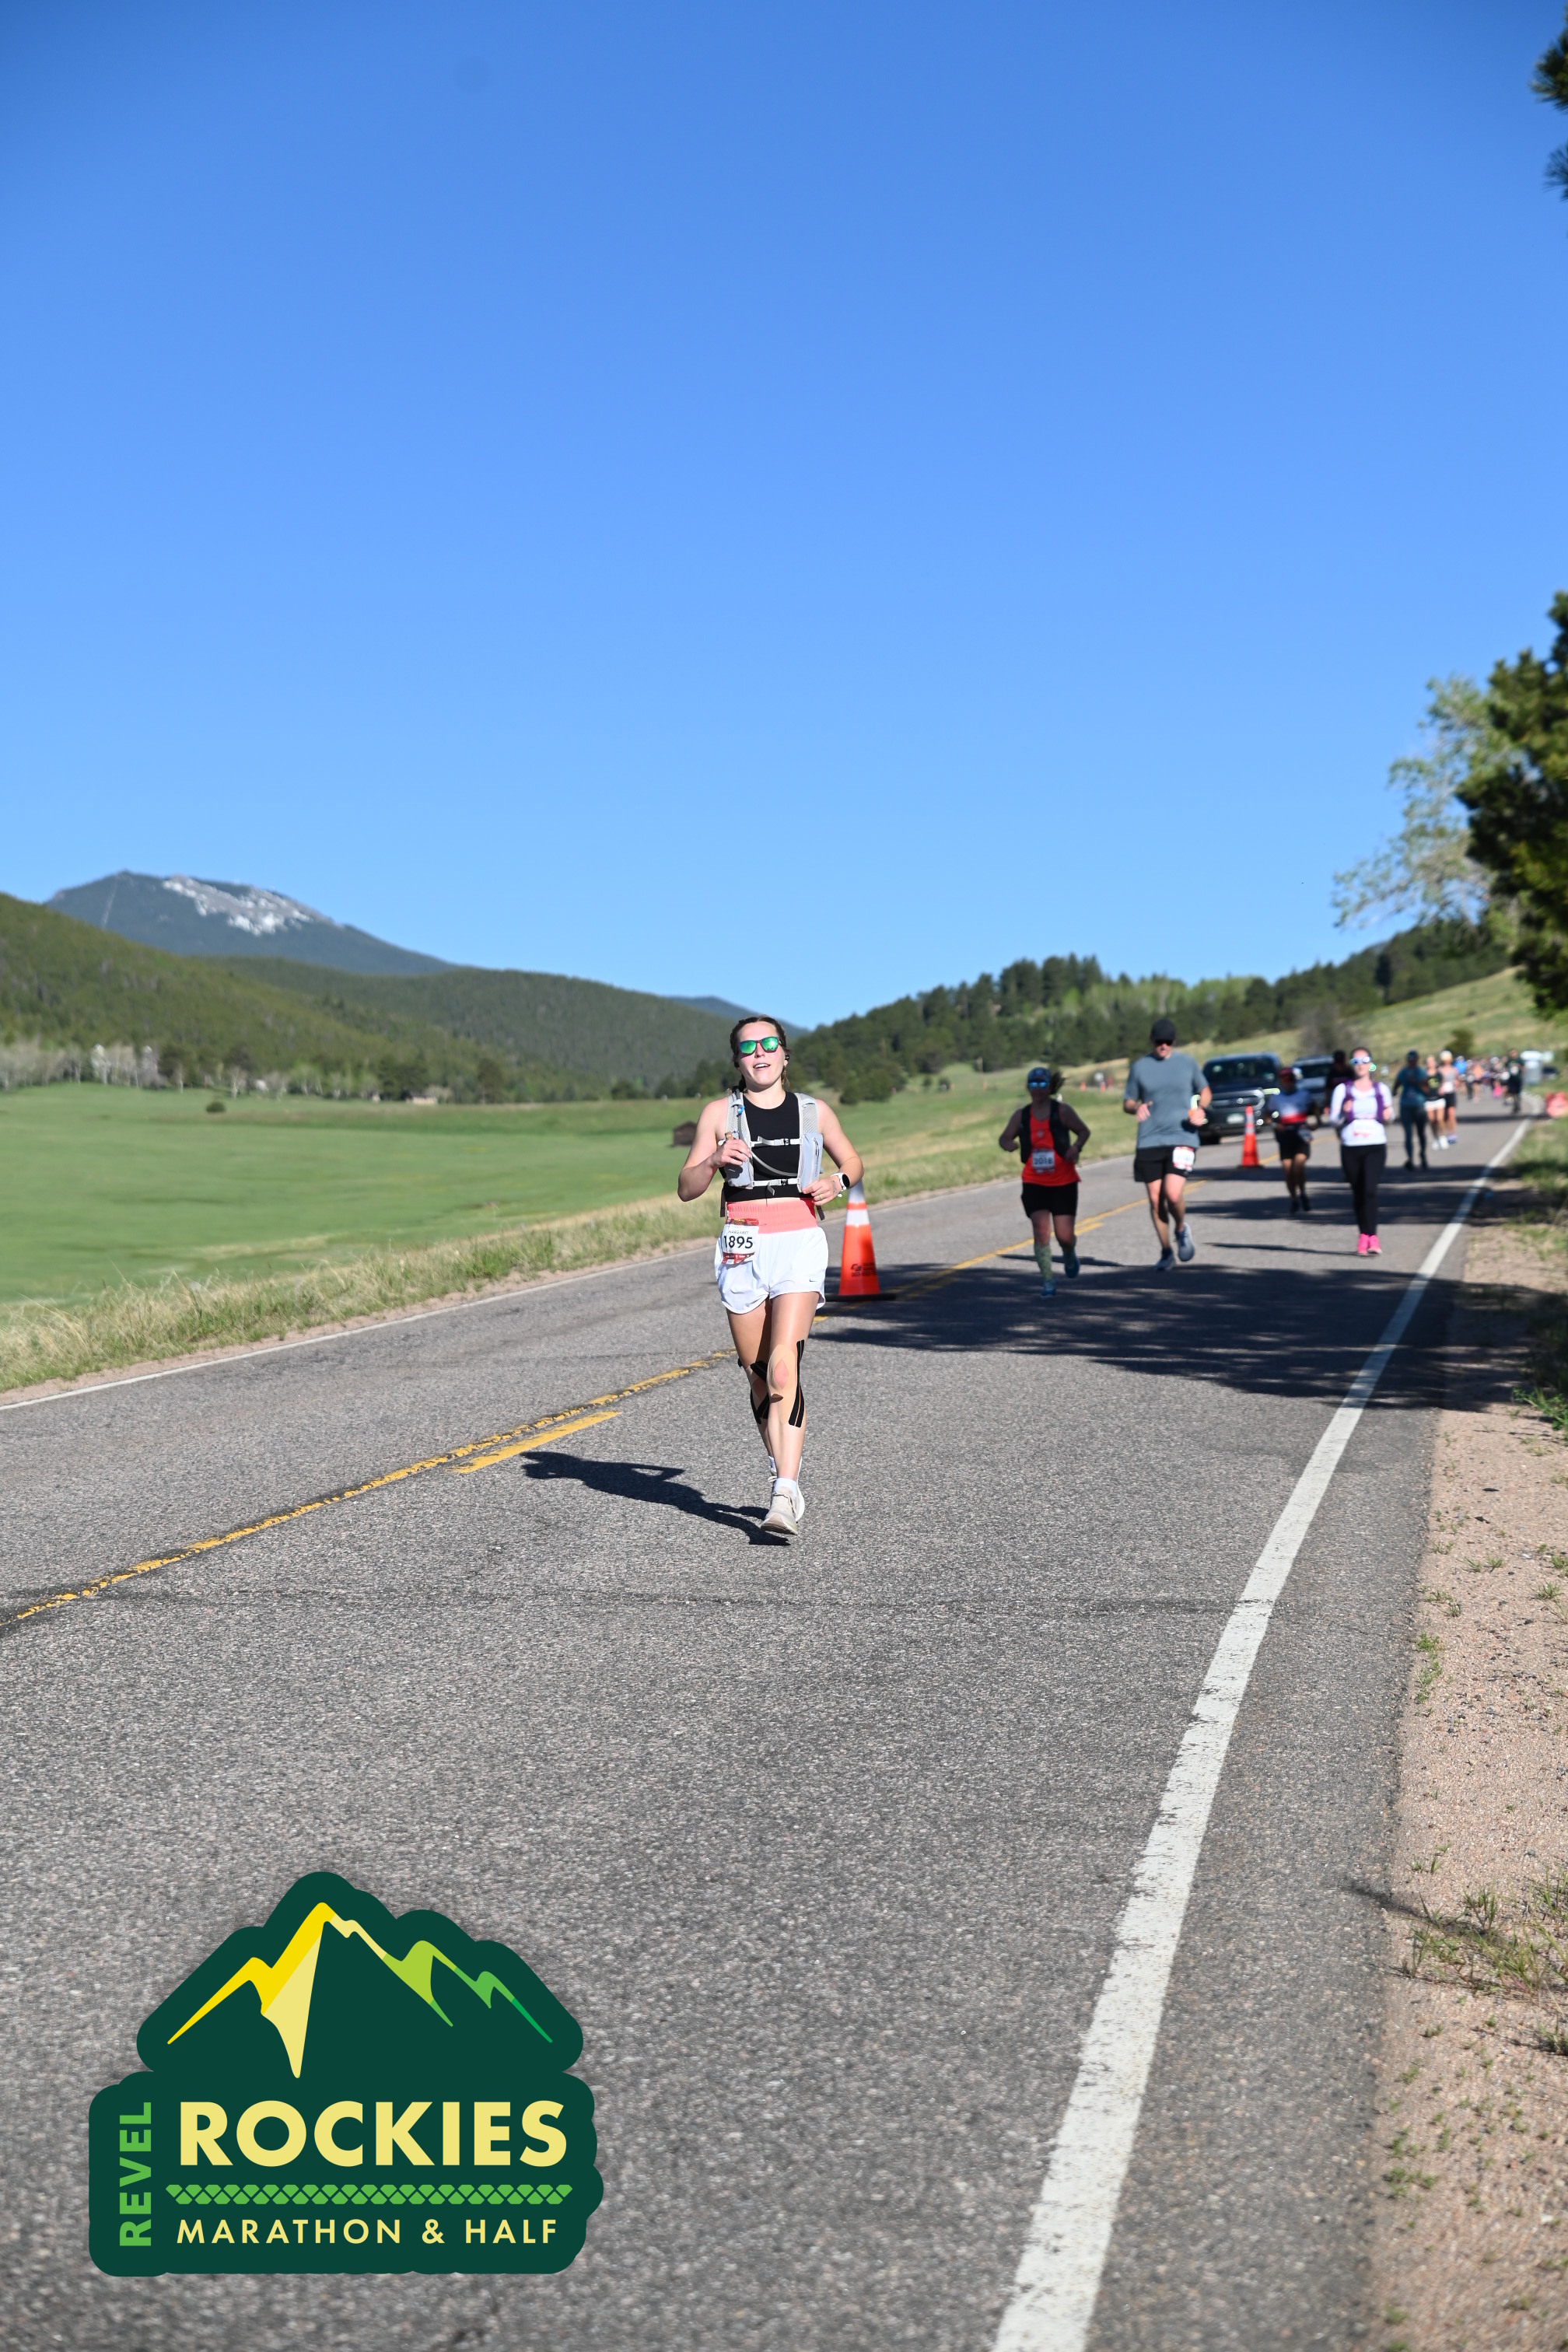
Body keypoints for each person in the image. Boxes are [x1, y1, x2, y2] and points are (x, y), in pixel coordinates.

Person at [678, 1017, 862, 1538]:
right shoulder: (719, 1114)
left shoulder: (813, 1111)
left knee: (784, 1367)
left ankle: (783, 1490)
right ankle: (784, 1471)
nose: (759, 1054)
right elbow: (686, 1187)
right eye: (748, 1048)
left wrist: (837, 1181)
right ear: (737, 1060)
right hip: (742, 1244)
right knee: (757, 1372)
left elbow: (853, 1161)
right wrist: (714, 1160)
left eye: (768, 1044)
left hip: (798, 1239)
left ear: (784, 1054)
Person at [1123, 1018, 1211, 1269]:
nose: (1163, 1046)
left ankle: (1181, 1229)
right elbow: (1128, 1101)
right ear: (1152, 1040)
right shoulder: (1140, 1067)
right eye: (1159, 1041)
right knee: (1155, 1200)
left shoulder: (1187, 1063)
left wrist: (1201, 1109)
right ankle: (1165, 1252)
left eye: (1168, 1041)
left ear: (1174, 1041)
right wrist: (1136, 1107)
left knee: (1172, 1194)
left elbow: (1205, 1090)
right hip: (1149, 1139)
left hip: (1183, 1136)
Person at [998, 1066, 1092, 1296]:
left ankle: (1069, 1253)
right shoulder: (1022, 1116)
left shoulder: (1062, 1111)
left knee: (1064, 1236)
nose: (1038, 1089)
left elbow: (1083, 1131)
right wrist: (1008, 1144)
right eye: (1034, 1084)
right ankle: (1048, 1281)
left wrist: (1076, 1148)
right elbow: (1004, 1137)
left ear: (1050, 1087)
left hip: (1063, 1181)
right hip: (1034, 1182)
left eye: (1042, 1084)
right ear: (1028, 1088)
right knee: (1041, 1231)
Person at [1328, 1048, 1391, 1255]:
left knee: (1370, 1190)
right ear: (1352, 1065)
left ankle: (1373, 1236)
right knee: (1358, 1191)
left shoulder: (1381, 1089)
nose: (1361, 1064)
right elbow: (1333, 1121)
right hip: (1351, 1146)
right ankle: (1363, 1234)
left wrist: (1389, 1115)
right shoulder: (1342, 1090)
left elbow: (1389, 1117)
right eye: (1356, 1061)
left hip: (1375, 1144)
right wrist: (1343, 1112)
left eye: (1365, 1060)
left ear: (1371, 1064)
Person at [1269, 1062, 1315, 1212]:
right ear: (1281, 1081)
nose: (1288, 1082)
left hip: (1301, 1133)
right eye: (1285, 1079)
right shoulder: (1276, 1098)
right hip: (1285, 1135)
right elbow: (1267, 1115)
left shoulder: (1304, 1094)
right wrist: (1276, 1125)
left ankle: (1303, 1193)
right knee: (1288, 1170)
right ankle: (1294, 1198)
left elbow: (1315, 1108)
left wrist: (1316, 1122)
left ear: (1294, 1080)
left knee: (1298, 1167)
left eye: (1290, 1079)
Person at [1392, 1049, 1430, 1170]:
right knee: (1408, 1134)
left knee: (1421, 1133)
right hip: (1406, 1105)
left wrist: (1418, 1082)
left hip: (1419, 1105)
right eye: (1410, 1059)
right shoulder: (1403, 1072)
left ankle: (1423, 1154)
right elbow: (1396, 1085)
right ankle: (1410, 1159)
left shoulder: (1421, 1072)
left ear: (1417, 1060)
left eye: (1414, 1059)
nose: (1412, 1061)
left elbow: (1427, 1089)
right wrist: (1394, 1091)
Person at [1436, 1049, 1459, 1147]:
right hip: (1442, 1094)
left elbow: (1458, 1080)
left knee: (1451, 1114)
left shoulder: (1453, 1069)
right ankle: (1446, 1133)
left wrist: (1456, 1084)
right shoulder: (1439, 1070)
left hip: (1451, 1093)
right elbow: (1436, 1082)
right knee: (1444, 1116)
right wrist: (1439, 1088)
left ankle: (1452, 1133)